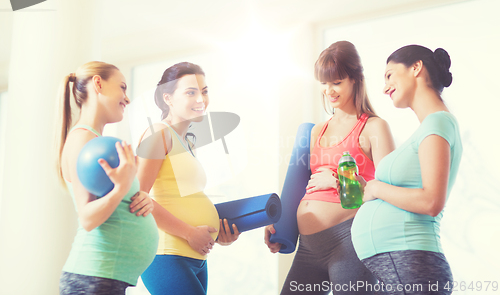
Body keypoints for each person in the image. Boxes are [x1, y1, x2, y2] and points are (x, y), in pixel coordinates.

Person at [264, 41, 395, 294]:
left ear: (356, 78)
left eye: (337, 82)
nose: (329, 90)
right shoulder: (315, 132)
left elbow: (389, 194)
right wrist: (278, 221)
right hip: (307, 246)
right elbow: (300, 188)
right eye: (324, 83)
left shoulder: (373, 127)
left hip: (349, 242)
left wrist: (339, 180)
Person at [351, 45, 462, 295]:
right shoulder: (429, 127)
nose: (384, 87)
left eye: (389, 75)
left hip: (410, 264)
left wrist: (376, 188)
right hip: (401, 266)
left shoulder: (438, 122)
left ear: (416, 68)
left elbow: (431, 201)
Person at [137, 62, 240, 295]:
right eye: (191, 92)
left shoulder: (187, 142)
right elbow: (137, 199)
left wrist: (216, 235)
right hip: (167, 254)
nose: (201, 98)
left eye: (204, 91)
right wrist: (189, 233)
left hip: (195, 257)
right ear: (168, 98)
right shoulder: (158, 134)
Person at [56, 61, 159, 295]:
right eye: (122, 87)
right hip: (94, 278)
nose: (127, 97)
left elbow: (115, 200)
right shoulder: (83, 140)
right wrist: (122, 189)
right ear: (98, 84)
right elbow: (88, 218)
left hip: (105, 278)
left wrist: (141, 197)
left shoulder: (95, 140)